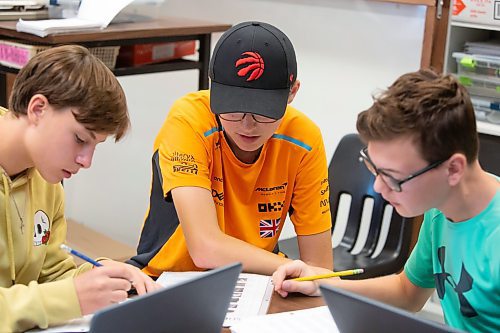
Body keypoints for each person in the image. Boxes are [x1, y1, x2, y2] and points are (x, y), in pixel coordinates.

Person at [272, 69, 500, 332]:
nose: (379, 187)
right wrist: (323, 283)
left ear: (453, 169)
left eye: (392, 177)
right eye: (374, 169)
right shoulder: (440, 210)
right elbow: (407, 292)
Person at [128, 21, 333, 276]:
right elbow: (205, 248)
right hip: (171, 277)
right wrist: (294, 269)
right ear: (212, 88)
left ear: (292, 93)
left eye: (263, 111)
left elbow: (320, 267)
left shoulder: (304, 139)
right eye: (233, 108)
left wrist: (300, 275)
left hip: (259, 279)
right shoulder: (189, 120)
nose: (247, 125)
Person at [0, 45, 159, 332]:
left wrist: (102, 277)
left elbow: (50, 274)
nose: (86, 161)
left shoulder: (47, 183)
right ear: (38, 109)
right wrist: (70, 297)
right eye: (79, 138)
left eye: (95, 146)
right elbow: (57, 297)